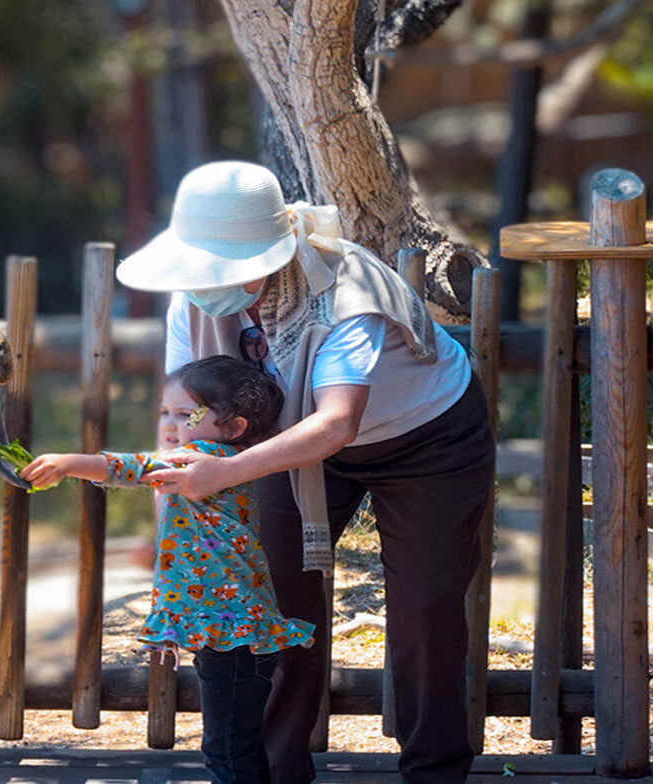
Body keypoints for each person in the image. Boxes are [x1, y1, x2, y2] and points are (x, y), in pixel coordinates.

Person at [113, 161, 494, 784]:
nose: (207, 284)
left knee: (424, 608)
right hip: (283, 441)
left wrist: (223, 475)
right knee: (264, 595)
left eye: (221, 269)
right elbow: (179, 418)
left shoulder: (345, 292)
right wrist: (174, 536)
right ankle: (270, 772)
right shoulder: (192, 300)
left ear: (269, 256)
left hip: (426, 435)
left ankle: (434, 773)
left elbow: (337, 422)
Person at [20, 355, 314, 784]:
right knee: (233, 744)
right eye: (165, 413)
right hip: (232, 633)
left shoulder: (201, 459)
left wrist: (68, 463)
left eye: (186, 413)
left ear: (232, 428)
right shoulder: (230, 464)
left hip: (233, 637)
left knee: (228, 751)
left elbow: (130, 467)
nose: (171, 425)